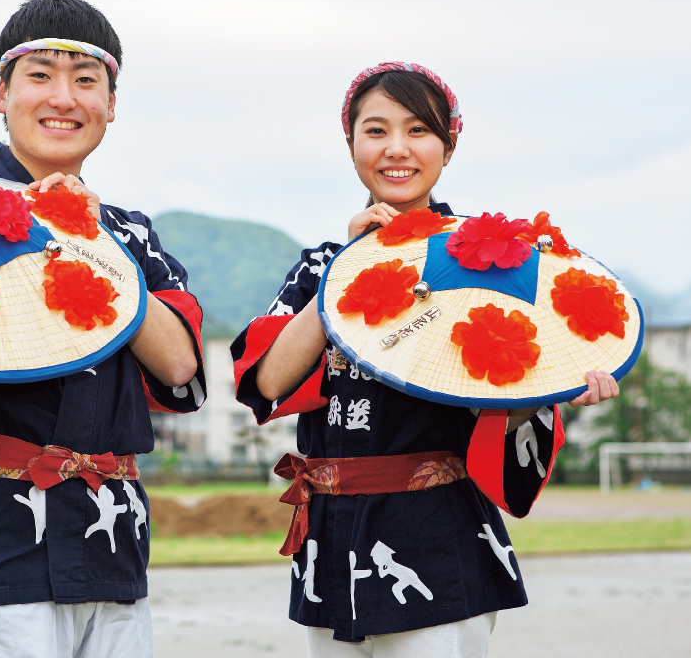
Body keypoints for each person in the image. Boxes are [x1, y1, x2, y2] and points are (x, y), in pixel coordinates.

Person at [230, 62, 619, 657]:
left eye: (418, 131)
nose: (396, 150)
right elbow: (269, 380)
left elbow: (503, 411)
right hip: (331, 538)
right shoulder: (321, 265)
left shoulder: (487, 263)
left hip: (438, 534)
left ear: (448, 145)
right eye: (376, 130)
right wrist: (348, 267)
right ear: (351, 143)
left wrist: (547, 394)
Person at [0, 0, 206, 658]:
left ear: (112, 104)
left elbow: (178, 366)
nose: (64, 97)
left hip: (112, 538)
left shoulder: (132, 234)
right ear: (1, 92)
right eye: (40, 76)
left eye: (87, 81)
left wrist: (91, 244)